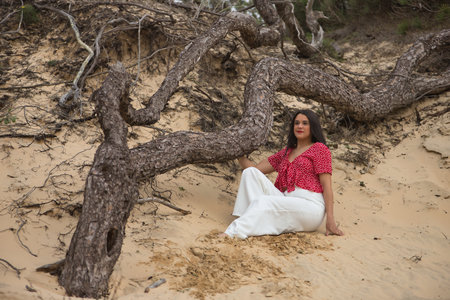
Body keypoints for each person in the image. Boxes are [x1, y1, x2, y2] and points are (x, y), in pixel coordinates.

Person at [223, 109, 344, 239]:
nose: (299, 126)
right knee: (250, 173)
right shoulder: (287, 152)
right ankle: (247, 218)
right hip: (286, 199)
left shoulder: (319, 149)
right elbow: (255, 169)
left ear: (312, 127)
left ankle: (231, 233)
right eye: (296, 123)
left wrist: (330, 219)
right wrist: (238, 154)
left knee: (264, 202)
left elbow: (327, 186)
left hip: (310, 206)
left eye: (305, 123)